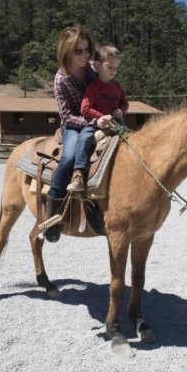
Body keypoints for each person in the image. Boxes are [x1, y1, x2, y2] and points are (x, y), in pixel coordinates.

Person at [44, 25, 114, 242]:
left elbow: (108, 87)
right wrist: (94, 120)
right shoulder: (60, 79)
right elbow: (66, 116)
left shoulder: (94, 69)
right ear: (67, 52)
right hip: (74, 125)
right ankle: (53, 212)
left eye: (86, 49)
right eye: (78, 51)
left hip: (98, 120)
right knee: (69, 158)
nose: (84, 55)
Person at [71, 43, 129, 191]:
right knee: (84, 138)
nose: (113, 71)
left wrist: (121, 111)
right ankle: (78, 172)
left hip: (115, 124)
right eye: (110, 67)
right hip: (95, 124)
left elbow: (125, 103)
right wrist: (101, 117)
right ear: (97, 65)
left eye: (116, 68)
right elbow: (85, 109)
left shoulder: (117, 86)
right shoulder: (93, 87)